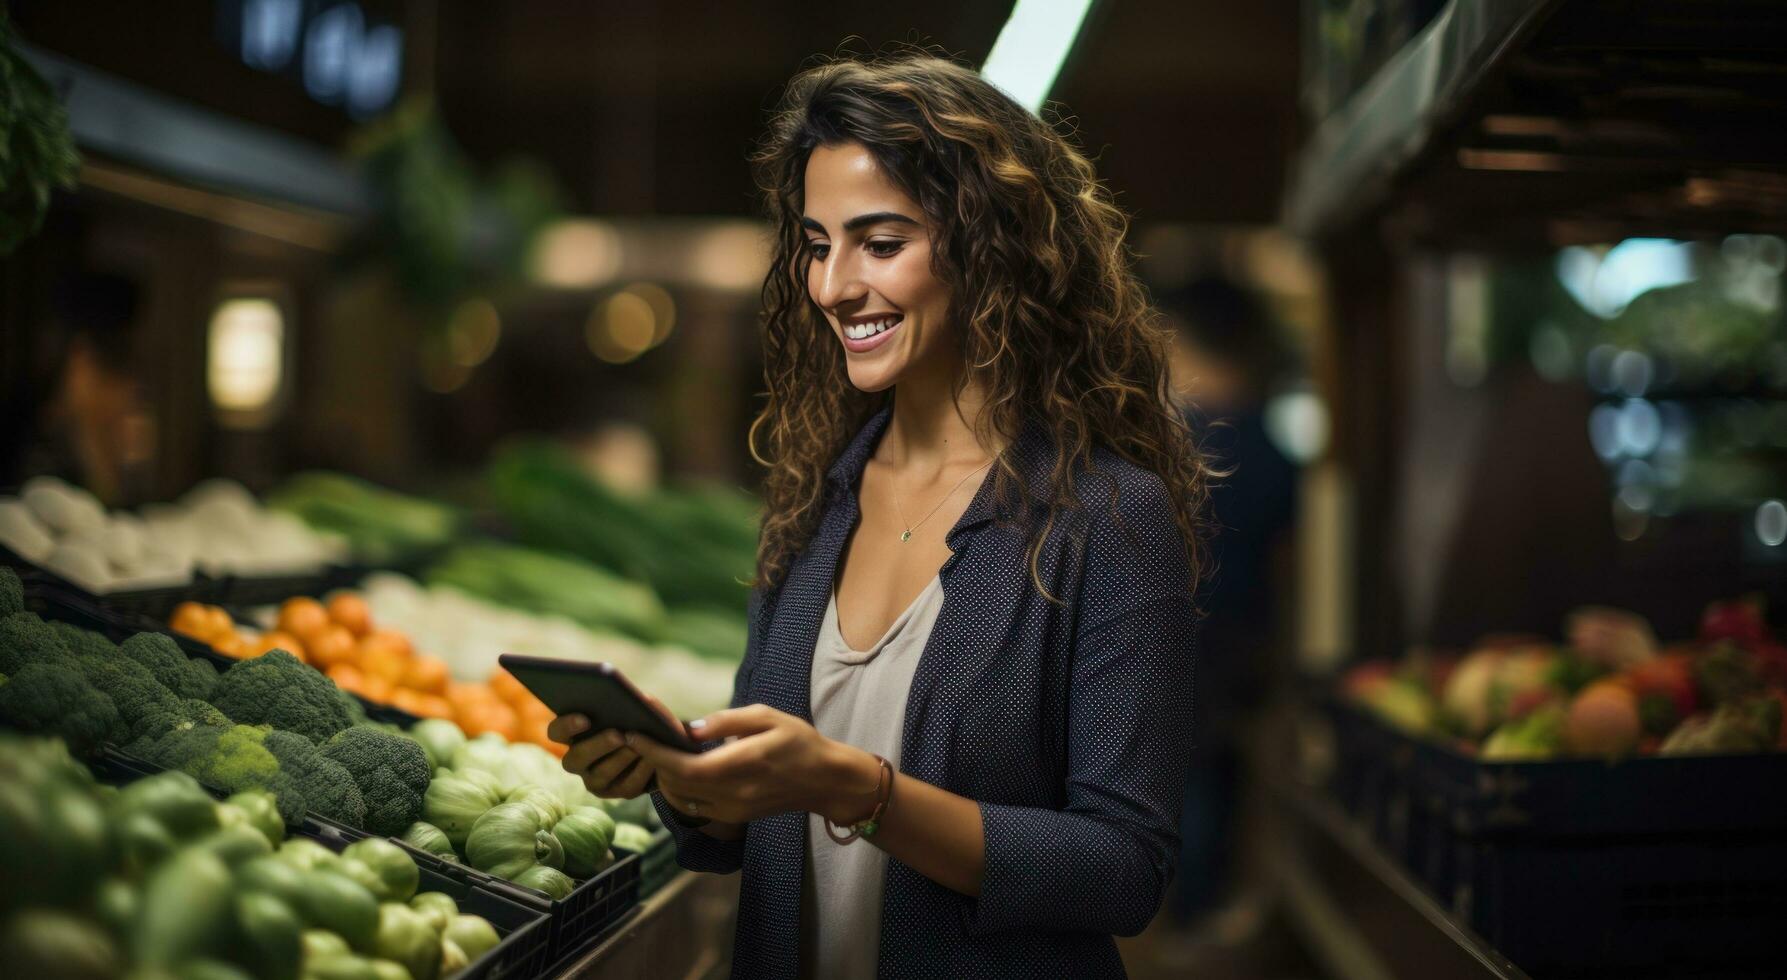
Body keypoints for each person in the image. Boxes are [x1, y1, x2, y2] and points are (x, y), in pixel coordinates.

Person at [550, 50, 1212, 978]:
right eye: (817, 245)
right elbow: (750, 830)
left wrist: (854, 787)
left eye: (881, 243)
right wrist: (686, 784)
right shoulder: (818, 495)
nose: (830, 286)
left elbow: (1122, 871)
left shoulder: (1105, 518)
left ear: (992, 245)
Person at [1156, 276, 1298, 938]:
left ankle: (1187, 916)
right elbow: (1287, 561)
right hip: (1245, 641)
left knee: (1186, 780)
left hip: (1170, 641)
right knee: (1218, 773)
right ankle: (1204, 912)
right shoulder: (1269, 444)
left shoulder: (1165, 441)